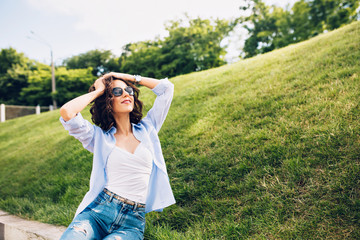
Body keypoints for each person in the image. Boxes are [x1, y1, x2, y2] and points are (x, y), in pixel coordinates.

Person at [59, 72, 176, 240]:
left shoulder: (148, 129)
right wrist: (99, 89)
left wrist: (126, 77)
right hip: (98, 214)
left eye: (128, 90)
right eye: (116, 92)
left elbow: (166, 89)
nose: (126, 93)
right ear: (107, 100)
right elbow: (67, 112)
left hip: (132, 222)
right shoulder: (98, 137)